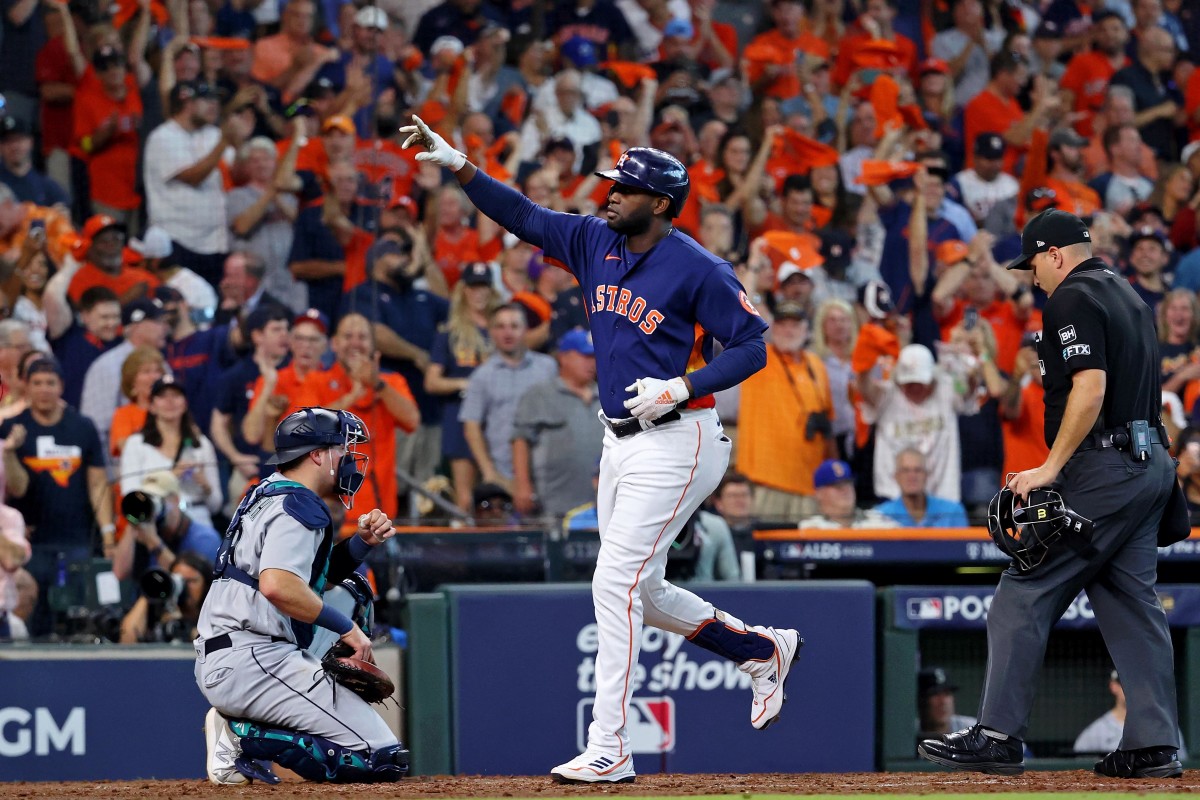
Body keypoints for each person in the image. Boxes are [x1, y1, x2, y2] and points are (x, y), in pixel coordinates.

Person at [402, 118, 801, 783]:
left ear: (663, 204)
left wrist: (682, 384)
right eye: (612, 184)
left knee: (613, 581)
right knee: (637, 590)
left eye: (626, 188)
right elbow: (523, 215)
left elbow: (753, 346)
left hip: (680, 438)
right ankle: (760, 649)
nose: (610, 194)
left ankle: (610, 745)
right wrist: (461, 166)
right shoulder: (593, 241)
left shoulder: (699, 265)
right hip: (621, 441)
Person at [918, 209, 1183, 779]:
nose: (1032, 275)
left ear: (1056, 253)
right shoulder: (1129, 294)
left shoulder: (1071, 296)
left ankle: (997, 735)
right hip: (1149, 462)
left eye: (1034, 261)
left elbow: (1090, 388)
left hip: (1104, 467)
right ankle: (1155, 743)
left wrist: (1048, 468)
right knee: (1132, 601)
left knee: (1024, 587)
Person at [196, 407, 410, 784]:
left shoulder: (267, 491)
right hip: (254, 657)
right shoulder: (300, 504)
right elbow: (278, 585)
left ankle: (255, 723)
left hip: (237, 653)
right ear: (316, 454)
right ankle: (239, 737)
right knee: (379, 759)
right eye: (343, 449)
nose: (350, 459)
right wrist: (348, 630)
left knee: (353, 588)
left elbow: (310, 581)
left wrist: (361, 544)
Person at [0, 358, 114, 636]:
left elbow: (98, 482)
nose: (44, 390)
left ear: (61, 386)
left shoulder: (82, 426)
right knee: (32, 612)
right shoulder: (13, 428)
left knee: (77, 616)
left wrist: (108, 534)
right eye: (37, 383)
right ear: (25, 386)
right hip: (33, 540)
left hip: (76, 537)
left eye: (50, 383)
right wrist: (11, 451)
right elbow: (17, 489)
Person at [510, 329, 603, 519]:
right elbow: (520, 440)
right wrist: (522, 485)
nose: (592, 362)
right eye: (585, 356)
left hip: (603, 504)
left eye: (594, 356)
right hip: (555, 504)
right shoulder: (540, 394)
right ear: (564, 357)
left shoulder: (606, 396)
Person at [120, 376, 222, 530]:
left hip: (198, 517)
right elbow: (131, 498)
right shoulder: (136, 444)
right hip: (156, 521)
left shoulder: (201, 444)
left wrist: (206, 486)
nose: (170, 401)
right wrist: (170, 478)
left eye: (176, 395)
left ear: (185, 404)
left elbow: (216, 505)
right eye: (162, 396)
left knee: (208, 541)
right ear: (152, 406)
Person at [111, 468, 221, 582]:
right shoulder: (145, 529)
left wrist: (154, 543)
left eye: (156, 500)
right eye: (148, 500)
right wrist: (134, 521)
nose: (152, 509)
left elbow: (191, 587)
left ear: (175, 500)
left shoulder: (204, 538)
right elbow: (119, 573)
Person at [119, 550, 212, 644]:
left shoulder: (214, 613)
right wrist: (150, 591)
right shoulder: (156, 607)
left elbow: (213, 644)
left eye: (191, 581)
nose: (184, 586)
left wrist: (186, 629)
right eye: (178, 580)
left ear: (206, 585)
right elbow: (127, 640)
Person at [876, 448, 969, 527]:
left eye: (917, 470)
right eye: (905, 471)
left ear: (926, 475)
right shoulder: (881, 515)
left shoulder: (953, 512)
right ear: (896, 477)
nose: (912, 476)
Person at [798, 459, 893, 529]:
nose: (845, 490)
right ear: (819, 493)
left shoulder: (878, 522)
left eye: (848, 483)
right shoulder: (809, 528)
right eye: (837, 486)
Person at [918, 666, 977, 740]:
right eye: (935, 694)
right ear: (922, 700)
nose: (943, 702)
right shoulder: (909, 732)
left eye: (947, 694)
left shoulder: (972, 731)